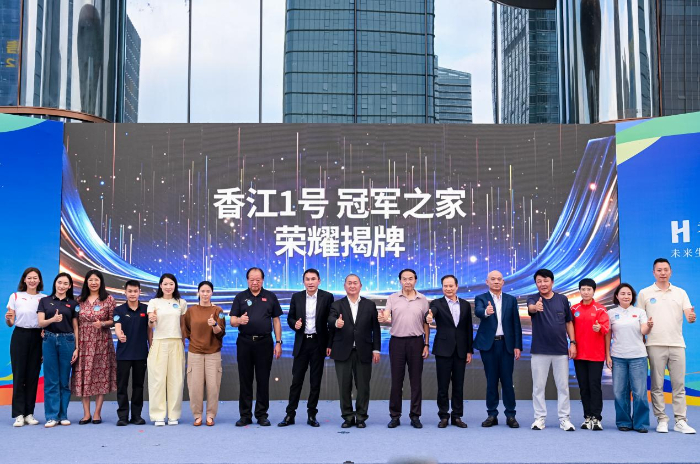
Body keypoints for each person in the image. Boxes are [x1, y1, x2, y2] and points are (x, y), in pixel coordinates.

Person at [637, 258, 696, 434]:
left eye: (665, 270)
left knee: (679, 385)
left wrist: (691, 317)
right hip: (654, 344)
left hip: (677, 344)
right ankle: (661, 419)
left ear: (671, 271)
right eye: (659, 270)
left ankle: (680, 420)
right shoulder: (644, 293)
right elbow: (640, 320)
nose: (663, 273)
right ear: (653, 272)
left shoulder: (680, 292)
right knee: (657, 385)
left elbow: (689, 314)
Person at [279, 269, 334, 428]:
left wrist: (330, 344)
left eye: (313, 279)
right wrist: (294, 324)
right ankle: (290, 414)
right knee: (296, 381)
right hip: (302, 343)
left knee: (315, 382)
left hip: (318, 343)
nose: (310, 282)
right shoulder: (296, 297)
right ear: (303, 282)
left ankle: (312, 415)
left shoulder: (327, 297)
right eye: (307, 279)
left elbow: (330, 322)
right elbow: (290, 318)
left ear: (319, 281)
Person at [230, 267, 283, 427]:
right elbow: (232, 321)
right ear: (247, 280)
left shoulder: (270, 296)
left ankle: (261, 415)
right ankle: (245, 415)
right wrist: (239, 321)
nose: (255, 282)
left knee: (263, 379)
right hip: (244, 342)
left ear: (263, 280)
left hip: (264, 343)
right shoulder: (240, 297)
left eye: (258, 280)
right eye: (252, 279)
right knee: (245, 379)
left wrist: (278, 342)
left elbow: (276, 321)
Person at [378, 269, 430, 429]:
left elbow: (426, 323)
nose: (407, 282)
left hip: (417, 342)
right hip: (397, 343)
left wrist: (426, 344)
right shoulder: (392, 298)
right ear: (400, 281)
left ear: (416, 280)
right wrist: (383, 317)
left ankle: (415, 416)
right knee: (396, 381)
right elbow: (386, 316)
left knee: (416, 382)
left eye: (410, 279)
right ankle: (395, 416)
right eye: (404, 279)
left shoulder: (423, 299)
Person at [527, 268, 577, 432]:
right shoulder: (533, 298)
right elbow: (531, 308)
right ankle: (539, 418)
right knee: (538, 387)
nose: (542, 284)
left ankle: (564, 419)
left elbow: (569, 322)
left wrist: (573, 343)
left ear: (552, 282)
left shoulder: (562, 299)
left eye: (545, 280)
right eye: (539, 281)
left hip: (560, 350)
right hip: (539, 350)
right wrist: (536, 307)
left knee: (563, 387)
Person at [328, 274, 381, 428]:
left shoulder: (369, 305)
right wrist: (336, 322)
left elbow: (375, 328)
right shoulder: (337, 305)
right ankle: (348, 417)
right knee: (344, 386)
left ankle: (361, 417)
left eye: (355, 283)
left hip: (364, 350)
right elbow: (330, 320)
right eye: (349, 283)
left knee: (363, 386)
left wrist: (376, 349)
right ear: (344, 286)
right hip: (342, 350)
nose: (352, 286)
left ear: (360, 286)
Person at [474, 270, 523, 428]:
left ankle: (511, 415)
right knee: (491, 381)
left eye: (499, 279)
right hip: (489, 346)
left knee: (507, 381)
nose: (496, 281)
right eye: (493, 279)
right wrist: (486, 312)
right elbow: (478, 311)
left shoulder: (511, 299)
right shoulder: (481, 298)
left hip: (507, 345)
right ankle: (492, 414)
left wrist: (517, 345)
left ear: (503, 282)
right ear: (487, 282)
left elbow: (516, 323)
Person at [72, 269, 117, 425]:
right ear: (86, 282)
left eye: (96, 280)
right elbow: (74, 322)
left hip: (102, 342)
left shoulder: (109, 299)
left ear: (101, 282)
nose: (93, 282)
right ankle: (86, 414)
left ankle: (97, 413)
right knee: (84, 376)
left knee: (100, 377)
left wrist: (102, 323)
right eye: (90, 280)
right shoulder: (79, 300)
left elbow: (114, 320)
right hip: (83, 342)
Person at [427, 274, 473, 428]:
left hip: (461, 350)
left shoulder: (465, 305)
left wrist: (469, 350)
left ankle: (457, 416)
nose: (448, 288)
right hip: (443, 350)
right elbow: (432, 312)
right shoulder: (437, 303)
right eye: (445, 286)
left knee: (458, 385)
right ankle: (443, 416)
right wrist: (429, 316)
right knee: (443, 385)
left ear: (456, 286)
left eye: (451, 286)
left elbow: (468, 328)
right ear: (442, 287)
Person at [605, 283, 652, 433]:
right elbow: (608, 335)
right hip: (618, 357)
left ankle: (641, 423)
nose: (626, 296)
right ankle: (623, 422)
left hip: (638, 356)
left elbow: (644, 330)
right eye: (623, 293)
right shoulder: (611, 313)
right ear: (617, 296)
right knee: (620, 392)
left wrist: (649, 326)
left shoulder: (639, 312)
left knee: (640, 392)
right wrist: (608, 355)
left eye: (629, 294)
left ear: (633, 296)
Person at [37, 273, 79, 427]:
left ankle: (63, 415)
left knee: (64, 380)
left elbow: (75, 327)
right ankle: (51, 416)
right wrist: (53, 320)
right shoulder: (44, 301)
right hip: (49, 340)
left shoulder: (73, 304)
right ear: (55, 283)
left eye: (65, 283)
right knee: (51, 380)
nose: (62, 286)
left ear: (69, 286)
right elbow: (41, 323)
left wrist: (77, 347)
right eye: (59, 282)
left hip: (67, 341)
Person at [6, 267, 45, 427]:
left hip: (37, 337)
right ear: (24, 279)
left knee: (33, 376)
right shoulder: (15, 296)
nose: (32, 280)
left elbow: (45, 322)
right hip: (20, 336)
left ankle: (29, 413)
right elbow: (10, 322)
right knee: (19, 375)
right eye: (29, 277)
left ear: (39, 280)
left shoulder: (44, 298)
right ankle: (19, 414)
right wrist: (8, 319)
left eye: (35, 278)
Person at [147, 273, 188, 426]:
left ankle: (173, 415)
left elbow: (183, 325)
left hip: (176, 343)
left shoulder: (181, 303)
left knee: (176, 380)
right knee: (157, 380)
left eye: (171, 284)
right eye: (165, 284)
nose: (168, 287)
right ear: (160, 285)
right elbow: (151, 324)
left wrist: (183, 342)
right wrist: (151, 320)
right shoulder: (154, 302)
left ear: (175, 285)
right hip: (159, 343)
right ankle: (158, 415)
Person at [183, 281, 225, 426]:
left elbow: (221, 333)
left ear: (212, 293)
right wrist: (196, 341)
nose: (205, 294)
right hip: (195, 353)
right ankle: (197, 415)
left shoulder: (218, 310)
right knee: (195, 387)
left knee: (213, 386)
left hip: (213, 353)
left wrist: (214, 325)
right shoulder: (191, 311)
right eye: (203, 291)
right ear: (198, 292)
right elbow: (187, 331)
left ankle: (210, 415)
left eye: (208, 291)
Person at [570, 278, 609, 431]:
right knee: (583, 387)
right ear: (579, 291)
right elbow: (569, 328)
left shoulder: (600, 309)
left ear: (594, 291)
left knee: (594, 385)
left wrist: (600, 328)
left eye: (589, 289)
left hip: (595, 355)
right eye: (583, 289)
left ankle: (596, 418)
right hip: (579, 354)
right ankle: (587, 417)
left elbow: (606, 329)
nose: (586, 292)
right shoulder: (574, 309)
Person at [114, 280, 150, 426]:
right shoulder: (119, 310)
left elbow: (149, 330)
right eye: (130, 291)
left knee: (138, 386)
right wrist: (119, 335)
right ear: (125, 292)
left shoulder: (146, 309)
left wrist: (152, 346)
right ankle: (122, 416)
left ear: (139, 292)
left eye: (135, 291)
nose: (133, 294)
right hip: (123, 354)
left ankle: (136, 416)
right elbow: (117, 326)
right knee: (122, 386)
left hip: (141, 354)